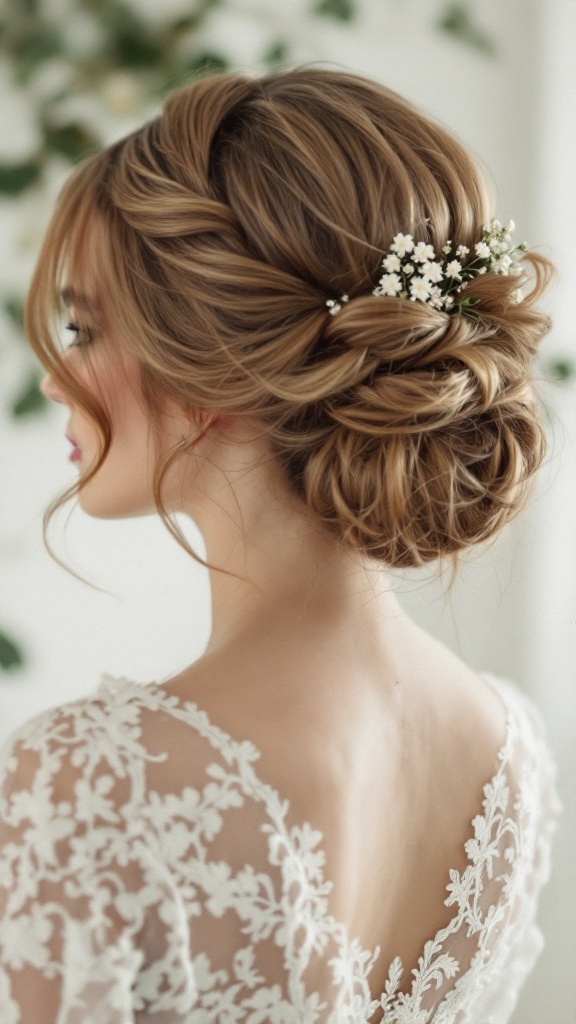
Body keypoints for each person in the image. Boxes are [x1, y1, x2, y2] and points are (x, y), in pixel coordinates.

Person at [0, 67, 562, 1023]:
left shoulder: (94, 782)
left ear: (209, 365)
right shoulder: (508, 753)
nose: (56, 378)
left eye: (84, 327)